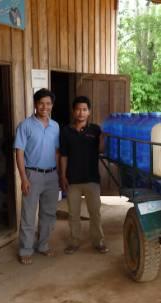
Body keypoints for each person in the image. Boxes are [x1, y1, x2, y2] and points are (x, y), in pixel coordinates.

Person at [14, 89, 60, 265]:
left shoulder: (55, 126)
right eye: (41, 103)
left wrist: (59, 174)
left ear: (52, 106)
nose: (44, 107)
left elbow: (57, 151)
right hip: (32, 175)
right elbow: (19, 153)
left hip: (52, 175)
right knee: (28, 213)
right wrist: (23, 178)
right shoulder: (25, 125)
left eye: (48, 104)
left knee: (48, 213)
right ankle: (25, 249)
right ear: (35, 104)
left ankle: (43, 245)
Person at [60, 96, 108, 254]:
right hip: (73, 180)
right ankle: (74, 242)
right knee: (73, 214)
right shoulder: (66, 131)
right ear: (74, 111)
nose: (81, 113)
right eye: (78, 109)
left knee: (95, 213)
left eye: (84, 109)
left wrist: (103, 139)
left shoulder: (95, 130)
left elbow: (101, 150)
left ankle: (98, 241)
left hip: (91, 179)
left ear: (89, 112)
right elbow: (64, 155)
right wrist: (62, 176)